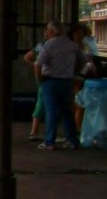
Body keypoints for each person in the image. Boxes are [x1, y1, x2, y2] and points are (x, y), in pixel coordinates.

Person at [34, 20, 81, 150]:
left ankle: (49, 142)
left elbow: (37, 64)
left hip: (50, 81)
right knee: (68, 112)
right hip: (67, 82)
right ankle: (72, 140)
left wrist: (39, 79)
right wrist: (73, 72)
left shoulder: (48, 45)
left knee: (51, 112)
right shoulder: (72, 45)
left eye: (47, 30)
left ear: (53, 32)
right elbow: (81, 61)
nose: (46, 32)